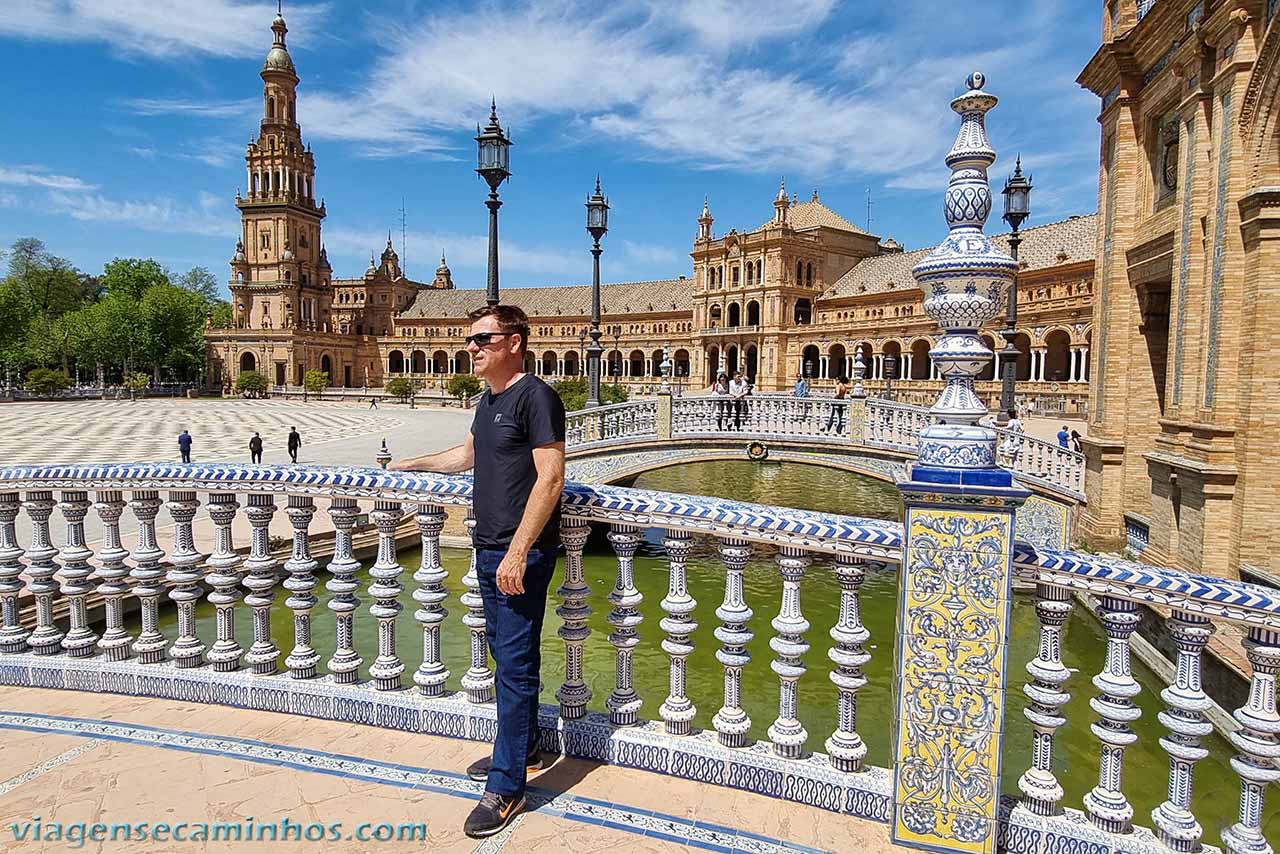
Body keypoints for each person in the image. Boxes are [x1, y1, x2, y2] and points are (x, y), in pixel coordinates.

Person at [389, 304, 565, 839]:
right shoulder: (489, 400)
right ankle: (528, 745)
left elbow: (551, 478)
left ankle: (506, 783)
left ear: (514, 341)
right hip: (488, 547)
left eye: (482, 339)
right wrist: (411, 465)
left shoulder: (537, 396)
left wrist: (517, 551)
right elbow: (468, 455)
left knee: (512, 664)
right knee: (504, 654)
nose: (472, 347)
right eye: (469, 340)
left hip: (517, 554)